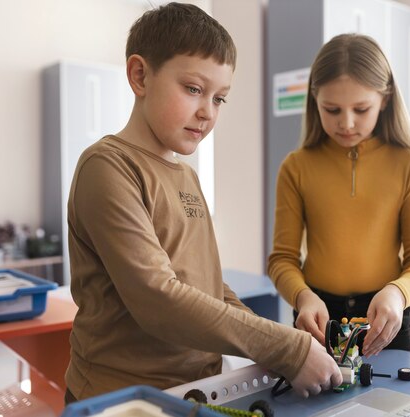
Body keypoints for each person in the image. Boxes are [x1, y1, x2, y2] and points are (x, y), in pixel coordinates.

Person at [64, 2, 341, 403]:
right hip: (123, 401)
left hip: (198, 391)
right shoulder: (107, 167)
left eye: (219, 99)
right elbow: (159, 299)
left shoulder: (187, 175)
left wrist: (288, 342)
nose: (207, 112)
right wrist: (285, 348)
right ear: (140, 75)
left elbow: (207, 286)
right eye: (194, 89)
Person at [268, 33, 410, 357]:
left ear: (386, 99)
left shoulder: (409, 165)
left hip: (386, 316)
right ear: (314, 100)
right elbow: (281, 260)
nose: (346, 123)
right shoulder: (296, 168)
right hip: (318, 316)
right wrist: (302, 297)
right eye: (332, 109)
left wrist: (398, 294)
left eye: (361, 109)